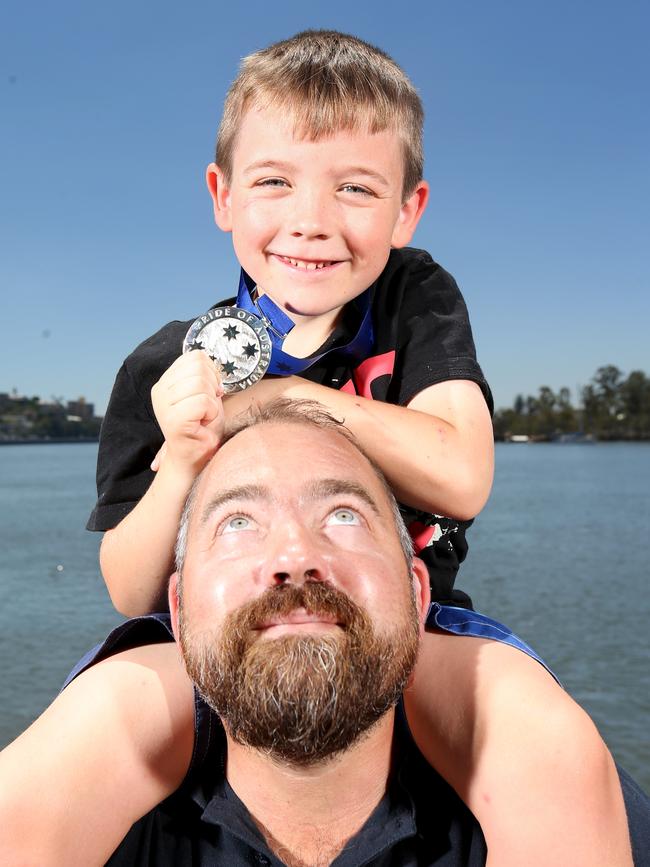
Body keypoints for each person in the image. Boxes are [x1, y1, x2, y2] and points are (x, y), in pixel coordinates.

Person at [68, 29, 633, 861]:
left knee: (539, 735)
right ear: (222, 195)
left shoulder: (416, 299)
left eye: (357, 190)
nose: (312, 221)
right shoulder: (168, 363)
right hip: (221, 632)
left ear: (409, 209)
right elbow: (130, 586)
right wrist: (183, 456)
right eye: (273, 182)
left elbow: (461, 472)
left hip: (409, 625)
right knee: (71, 749)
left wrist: (292, 397)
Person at [1, 402, 648, 865]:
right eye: (236, 522)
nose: (293, 553)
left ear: (420, 593)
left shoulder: (575, 811)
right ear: (178, 610)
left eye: (343, 514)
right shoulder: (99, 814)